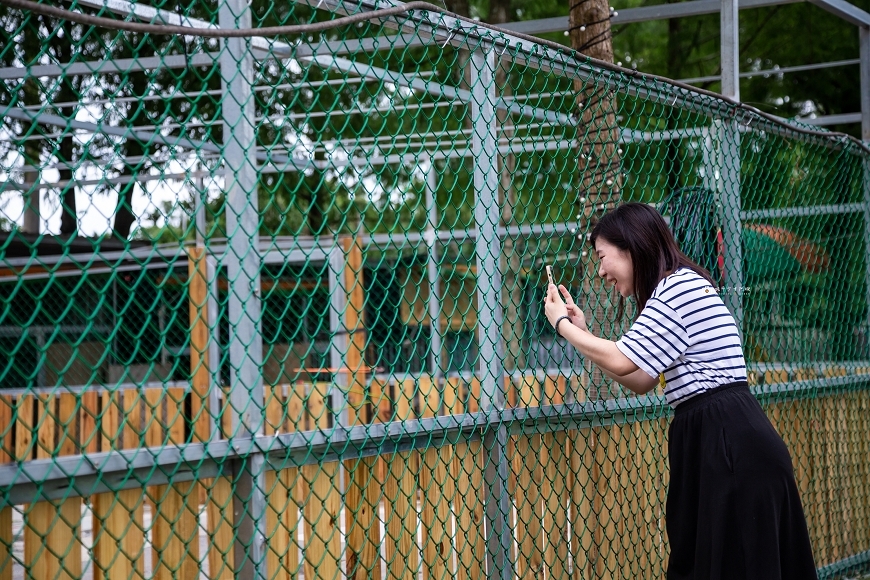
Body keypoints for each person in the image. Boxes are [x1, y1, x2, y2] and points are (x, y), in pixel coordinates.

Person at [544, 202, 817, 580]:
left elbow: (624, 360)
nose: (601, 271)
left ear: (632, 246)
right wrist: (584, 335)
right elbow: (641, 379)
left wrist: (561, 324)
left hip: (729, 441)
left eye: (604, 257)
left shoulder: (678, 287)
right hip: (719, 439)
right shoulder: (671, 290)